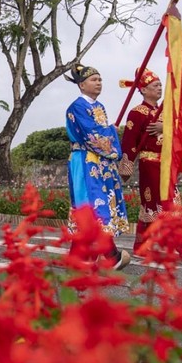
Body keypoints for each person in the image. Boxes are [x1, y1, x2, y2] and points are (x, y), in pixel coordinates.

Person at [118, 68, 182, 264]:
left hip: (166, 162)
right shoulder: (137, 113)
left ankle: (140, 246)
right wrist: (126, 166)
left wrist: (165, 127)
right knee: (166, 205)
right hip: (150, 163)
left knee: (151, 206)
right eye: (155, 86)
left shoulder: (165, 111)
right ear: (144, 90)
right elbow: (129, 141)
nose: (159, 88)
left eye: (159, 85)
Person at [65, 64, 131, 270]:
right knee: (92, 203)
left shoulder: (99, 106)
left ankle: (80, 256)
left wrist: (110, 131)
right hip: (86, 160)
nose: (98, 83)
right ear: (82, 85)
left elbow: (101, 132)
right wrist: (110, 133)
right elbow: (91, 134)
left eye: (100, 79)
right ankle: (110, 254)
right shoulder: (77, 107)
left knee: (94, 204)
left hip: (100, 160)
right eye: (94, 80)